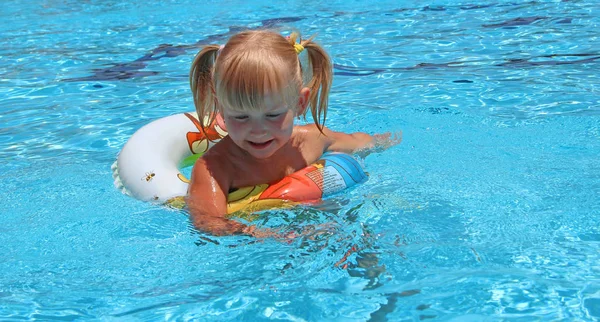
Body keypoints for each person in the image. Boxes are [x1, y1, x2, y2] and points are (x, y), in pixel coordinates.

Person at [186, 30, 400, 237]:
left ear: (300, 103)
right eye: (241, 117)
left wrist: (385, 141)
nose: (258, 130)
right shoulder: (215, 168)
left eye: (272, 115)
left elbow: (361, 142)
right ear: (221, 109)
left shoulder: (313, 140)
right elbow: (207, 222)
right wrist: (266, 234)